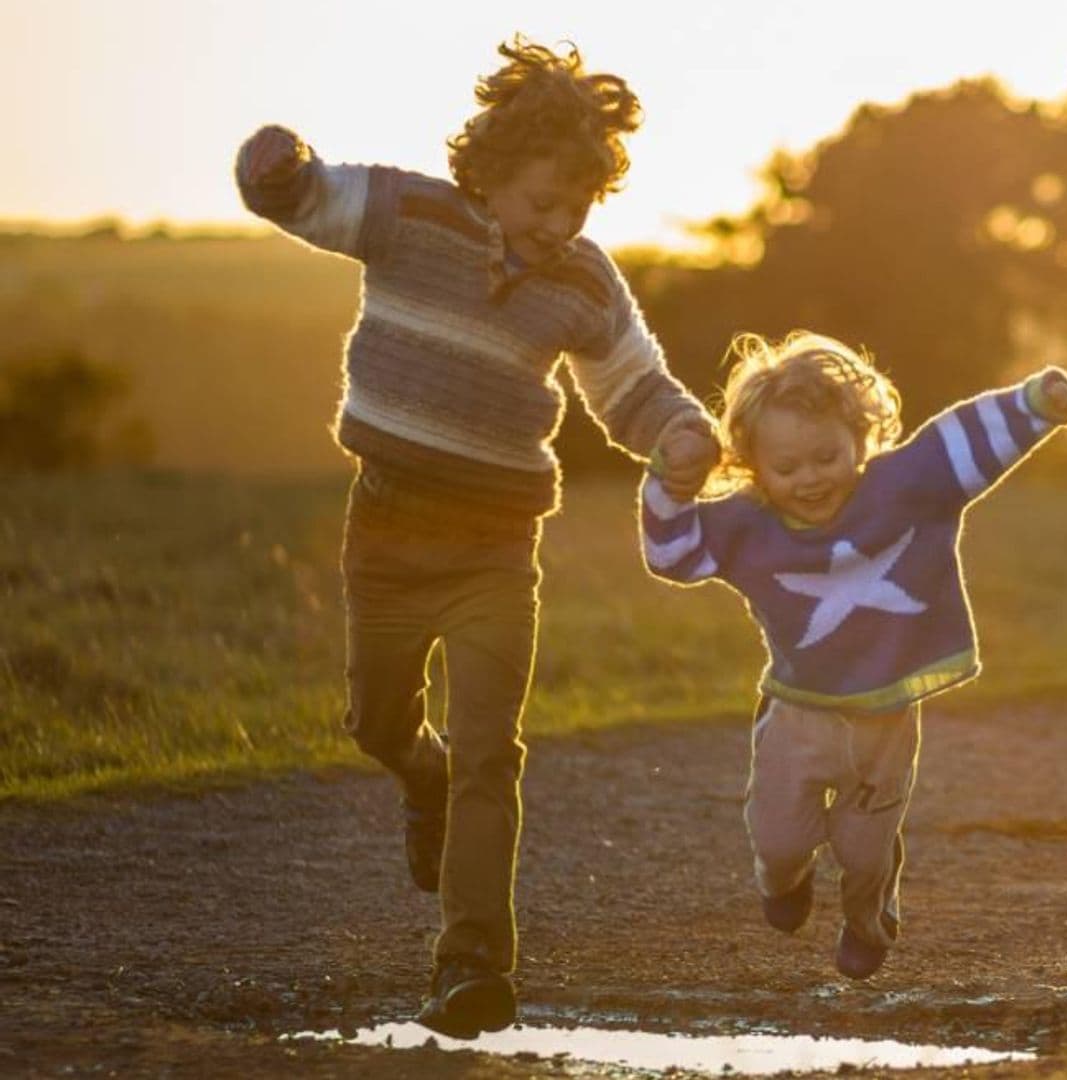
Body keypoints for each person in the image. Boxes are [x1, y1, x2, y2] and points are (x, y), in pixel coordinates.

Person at [234, 37, 719, 1038]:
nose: (559, 225)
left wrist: (679, 433)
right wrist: (276, 169)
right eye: (542, 202)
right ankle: (422, 776)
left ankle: (469, 968)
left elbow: (632, 387)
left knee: (493, 753)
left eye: (578, 209)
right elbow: (310, 197)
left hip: (498, 550)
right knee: (378, 723)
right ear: (490, 174)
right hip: (389, 532)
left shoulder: (584, 282)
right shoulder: (410, 216)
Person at [639, 331, 1067, 979]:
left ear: (860, 440)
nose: (810, 478)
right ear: (755, 468)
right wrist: (668, 485)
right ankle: (785, 882)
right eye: (786, 469)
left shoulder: (902, 487)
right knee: (779, 837)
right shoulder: (746, 524)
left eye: (827, 456)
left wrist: (1035, 404)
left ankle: (869, 918)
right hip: (796, 713)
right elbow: (670, 555)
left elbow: (958, 444)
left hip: (887, 717)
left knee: (864, 849)